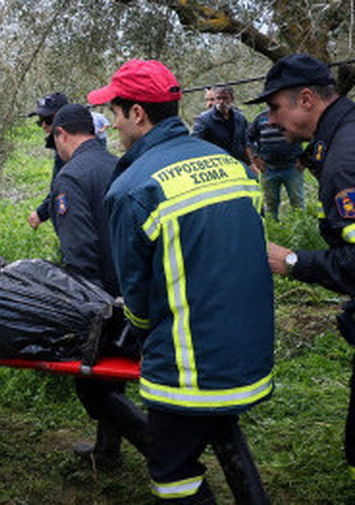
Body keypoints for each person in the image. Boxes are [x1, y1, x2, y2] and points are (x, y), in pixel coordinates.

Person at [89, 59, 274, 503]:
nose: (113, 124)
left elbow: (136, 301)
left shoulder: (133, 187)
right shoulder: (232, 167)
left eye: (115, 112)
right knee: (218, 427)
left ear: (137, 114)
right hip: (252, 357)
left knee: (171, 470)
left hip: (189, 369)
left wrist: (143, 336)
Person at [257, 54, 355, 478]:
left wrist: (292, 261)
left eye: (276, 107)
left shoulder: (344, 163)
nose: (271, 120)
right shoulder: (341, 139)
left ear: (308, 99)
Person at [49, 103, 147, 466]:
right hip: (134, 291)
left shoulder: (71, 176)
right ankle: (108, 451)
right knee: (113, 379)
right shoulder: (120, 164)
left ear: (62, 134)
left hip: (99, 298)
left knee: (93, 388)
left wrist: (83, 313)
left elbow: (80, 252)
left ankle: (158, 451)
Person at [245, 107, 305, 219]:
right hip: (269, 168)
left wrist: (305, 158)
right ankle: (273, 231)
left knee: (297, 202)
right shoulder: (260, 118)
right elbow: (249, 138)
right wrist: (255, 157)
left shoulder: (293, 115)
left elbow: (309, 135)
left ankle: (302, 230)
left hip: (293, 167)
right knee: (270, 203)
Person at [27, 92, 69, 230]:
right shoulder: (61, 150)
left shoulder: (70, 152)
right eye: (40, 121)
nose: (44, 125)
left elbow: (63, 191)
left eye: (48, 120)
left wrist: (41, 213)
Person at [192, 86, 251, 164]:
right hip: (217, 164)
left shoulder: (240, 118)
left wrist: (251, 163)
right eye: (218, 98)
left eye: (225, 98)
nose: (221, 102)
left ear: (232, 99)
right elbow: (197, 143)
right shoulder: (203, 120)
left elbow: (246, 142)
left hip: (239, 162)